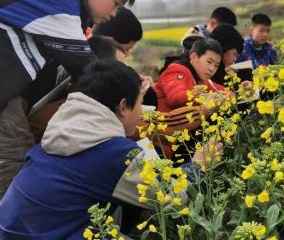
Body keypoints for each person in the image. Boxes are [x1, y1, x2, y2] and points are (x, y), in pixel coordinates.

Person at [0, 60, 223, 239]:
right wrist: (198, 165)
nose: (142, 113)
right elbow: (173, 196)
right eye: (140, 103)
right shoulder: (112, 153)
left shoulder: (64, 125)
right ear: (124, 106)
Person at [0, 0, 136, 197]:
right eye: (115, 3)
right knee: (13, 156)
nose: (114, 14)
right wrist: (130, 92)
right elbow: (87, 69)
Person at [155, 38, 227, 113]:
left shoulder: (201, 79)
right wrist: (207, 97)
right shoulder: (176, 70)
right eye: (209, 62)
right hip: (163, 122)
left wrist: (224, 97)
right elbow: (176, 98)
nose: (212, 69)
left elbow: (226, 92)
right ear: (194, 57)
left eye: (216, 65)